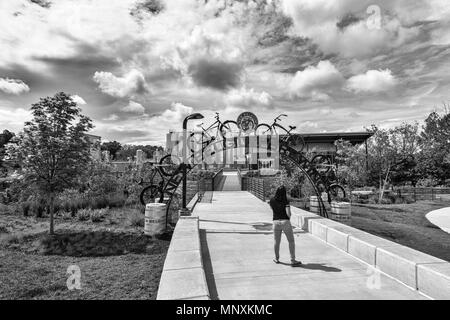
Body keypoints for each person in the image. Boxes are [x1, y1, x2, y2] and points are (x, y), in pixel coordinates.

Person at [269, 186, 302, 266]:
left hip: (275, 222)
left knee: (277, 242)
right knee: (291, 241)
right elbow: (288, 214)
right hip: (285, 222)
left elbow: (271, 208)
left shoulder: (272, 200)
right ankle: (293, 260)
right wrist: (289, 217)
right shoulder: (286, 201)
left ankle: (276, 259)